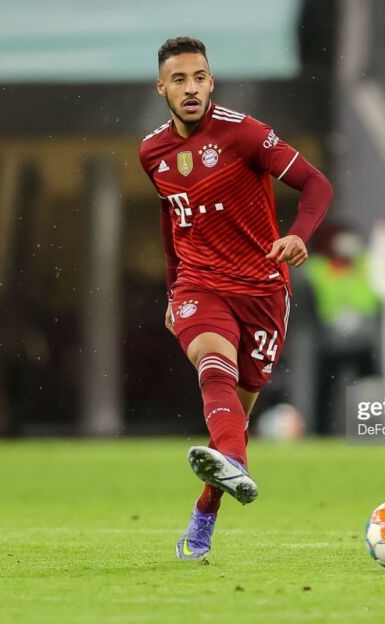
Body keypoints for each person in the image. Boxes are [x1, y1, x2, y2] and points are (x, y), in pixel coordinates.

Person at [138, 37, 332, 560]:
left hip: (263, 290)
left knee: (233, 422)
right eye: (179, 80)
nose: (191, 88)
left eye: (199, 77)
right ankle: (237, 466)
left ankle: (206, 510)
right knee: (211, 359)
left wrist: (299, 236)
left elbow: (316, 185)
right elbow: (171, 220)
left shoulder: (244, 133)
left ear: (211, 82)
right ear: (162, 88)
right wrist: (173, 287)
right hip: (199, 283)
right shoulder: (151, 152)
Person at [304, 226, 381, 433]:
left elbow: (381, 261)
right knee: (326, 390)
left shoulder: (364, 267)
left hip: (363, 341)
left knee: (370, 388)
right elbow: (304, 266)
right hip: (333, 342)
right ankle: (322, 433)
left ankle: (373, 430)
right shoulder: (320, 269)